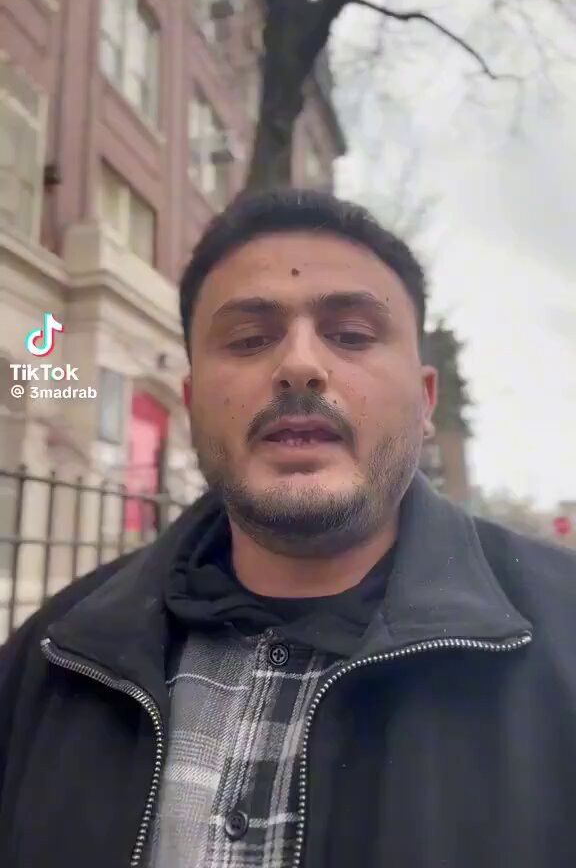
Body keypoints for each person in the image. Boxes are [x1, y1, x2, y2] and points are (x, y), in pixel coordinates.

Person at [1, 188, 576, 868]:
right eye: (249, 339)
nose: (300, 365)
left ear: (425, 401)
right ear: (190, 403)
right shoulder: (49, 655)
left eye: (352, 335)